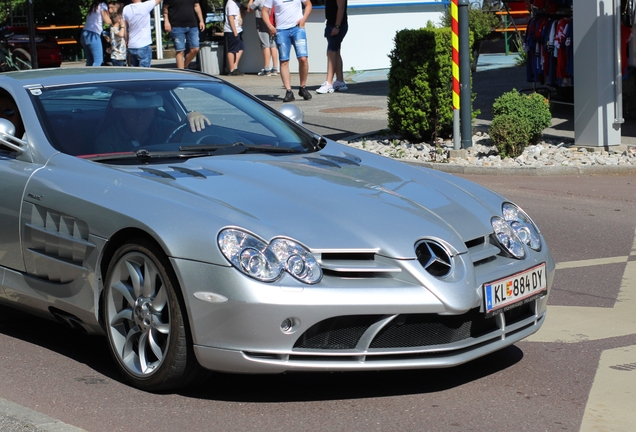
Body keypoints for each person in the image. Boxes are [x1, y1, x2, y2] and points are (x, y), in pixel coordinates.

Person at [95, 92, 211, 154]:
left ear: (153, 112)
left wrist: (192, 116)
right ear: (123, 112)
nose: (140, 116)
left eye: (145, 111)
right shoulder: (107, 140)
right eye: (134, 111)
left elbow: (180, 132)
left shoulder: (160, 126)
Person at [262, 0, 313, 102]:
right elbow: (264, 11)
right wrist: (270, 26)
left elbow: (308, 4)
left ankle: (303, 87)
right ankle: (289, 91)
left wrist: (304, 19)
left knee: (303, 58)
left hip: (298, 28)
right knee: (284, 61)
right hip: (281, 30)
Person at [316, 0, 348, 94]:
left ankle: (328, 83)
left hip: (338, 26)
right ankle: (340, 81)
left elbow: (341, 8)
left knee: (331, 52)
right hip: (331, 24)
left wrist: (337, 26)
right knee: (336, 52)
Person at [163, 0, 205, 69]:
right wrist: (166, 22)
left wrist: (201, 21)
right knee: (180, 51)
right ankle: (181, 72)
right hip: (176, 25)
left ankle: (185, 65)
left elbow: (196, 6)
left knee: (195, 48)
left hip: (192, 25)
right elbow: (165, 8)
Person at [123, 0, 162, 67]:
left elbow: (124, 27)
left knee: (134, 72)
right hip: (143, 45)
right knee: (144, 72)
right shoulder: (145, 6)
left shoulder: (126, 9)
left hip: (132, 45)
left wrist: (126, 40)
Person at [247, 0, 279, 76]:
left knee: (266, 46)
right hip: (273, 23)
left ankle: (266, 69)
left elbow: (249, 9)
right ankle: (275, 69)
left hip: (262, 24)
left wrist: (251, 0)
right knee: (273, 46)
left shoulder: (259, 0)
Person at [81, 1, 112, 66]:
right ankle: (94, 76)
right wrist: (117, 22)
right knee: (98, 60)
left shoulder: (93, 5)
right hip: (94, 35)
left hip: (85, 33)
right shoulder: (102, 5)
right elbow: (107, 20)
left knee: (90, 60)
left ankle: (87, 75)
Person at [224, 0, 245, 75]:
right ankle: (231, 69)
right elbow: (231, 18)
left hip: (238, 30)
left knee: (240, 48)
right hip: (232, 31)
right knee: (232, 49)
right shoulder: (231, 3)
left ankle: (235, 66)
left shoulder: (237, 3)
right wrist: (235, 32)